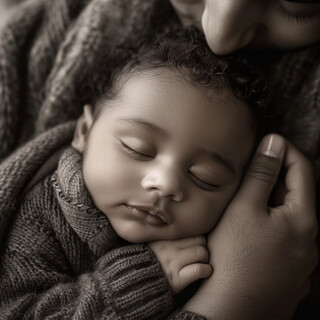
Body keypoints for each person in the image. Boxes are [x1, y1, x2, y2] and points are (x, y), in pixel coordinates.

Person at [0, 1, 318, 319]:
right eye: (137, 149)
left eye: (206, 177)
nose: (165, 183)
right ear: (85, 130)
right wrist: (138, 283)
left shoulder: (223, 251)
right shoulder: (44, 216)